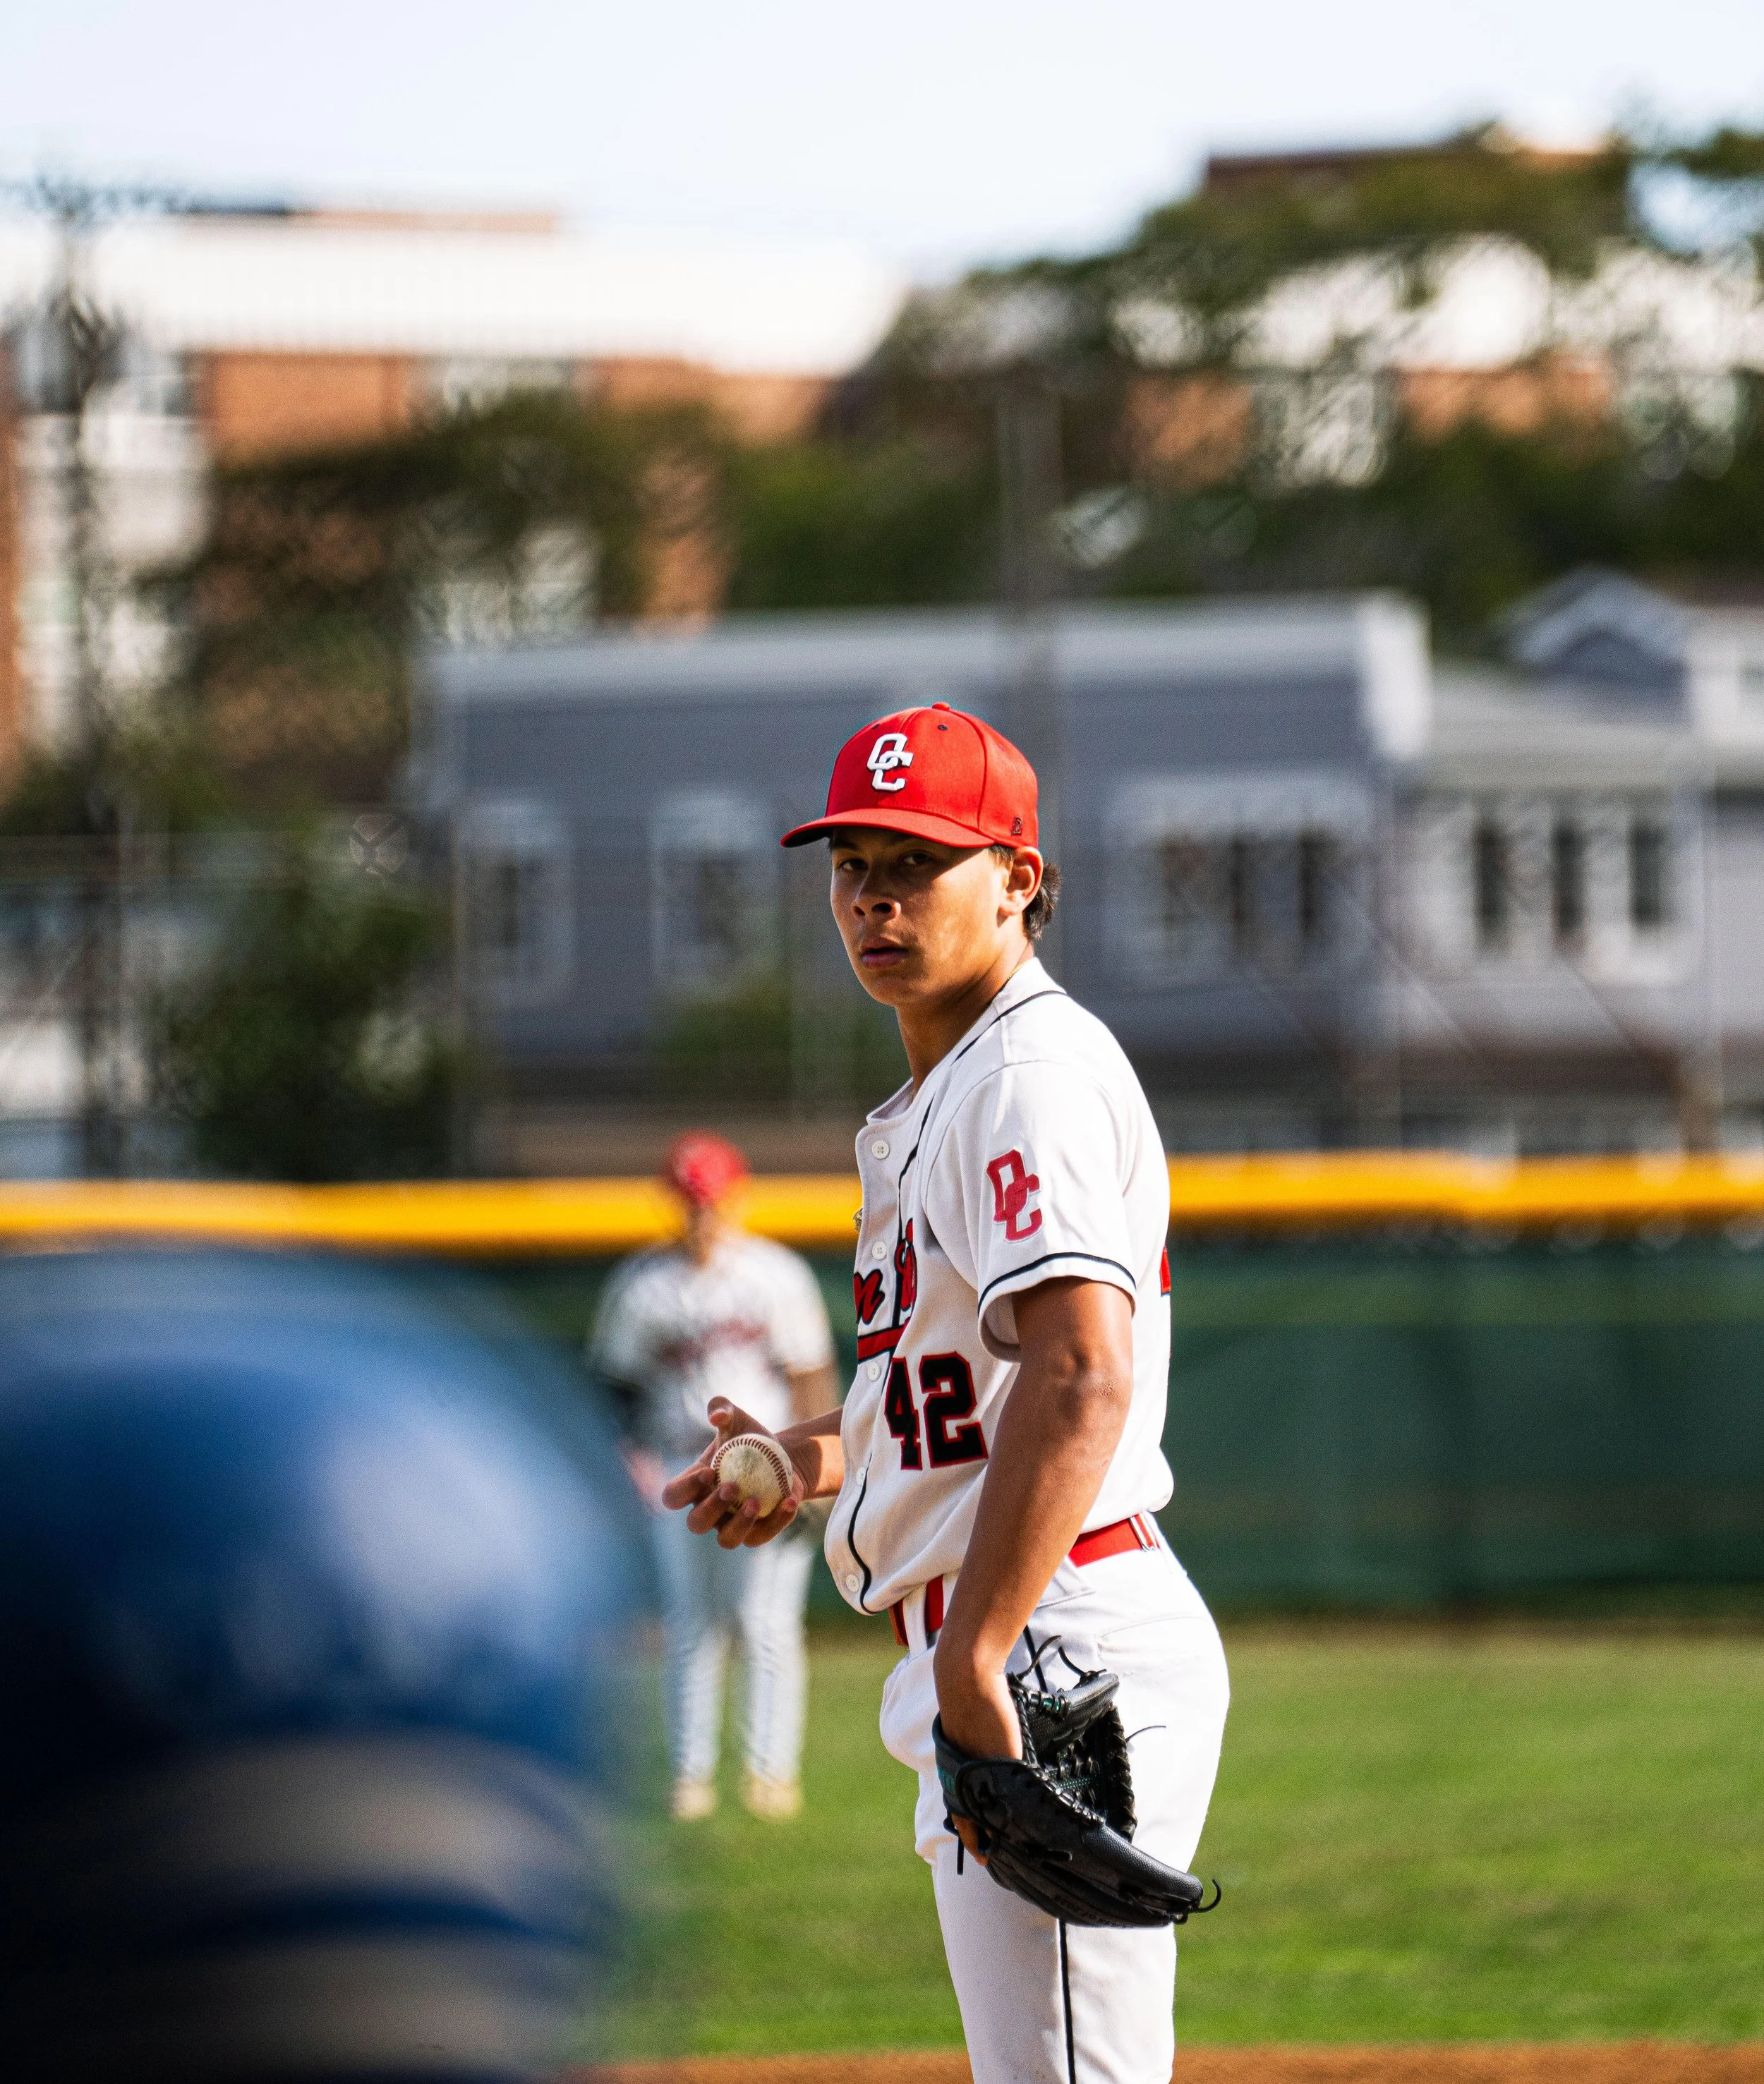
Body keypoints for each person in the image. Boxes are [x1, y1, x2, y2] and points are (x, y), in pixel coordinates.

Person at [663, 704, 1231, 2084]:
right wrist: (811, 1457)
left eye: (916, 861)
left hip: (1045, 1636)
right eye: (852, 861)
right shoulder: (952, 1088)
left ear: (1019, 880)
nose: (872, 893)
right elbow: (972, 1397)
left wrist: (975, 1655)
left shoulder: (1023, 1072)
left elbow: (1079, 1366)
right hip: (1016, 1629)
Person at [592, 1131, 838, 1822]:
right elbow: (618, 1383)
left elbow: (810, 1375)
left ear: (736, 1195)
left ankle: (770, 1774)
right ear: (671, 1202)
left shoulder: (774, 1274)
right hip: (678, 1458)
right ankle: (690, 1774)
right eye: (690, 1198)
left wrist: (817, 1471)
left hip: (767, 1463)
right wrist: (630, 1462)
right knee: (690, 1623)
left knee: (764, 1622)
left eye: (711, 1196)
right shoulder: (643, 1283)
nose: (702, 1211)